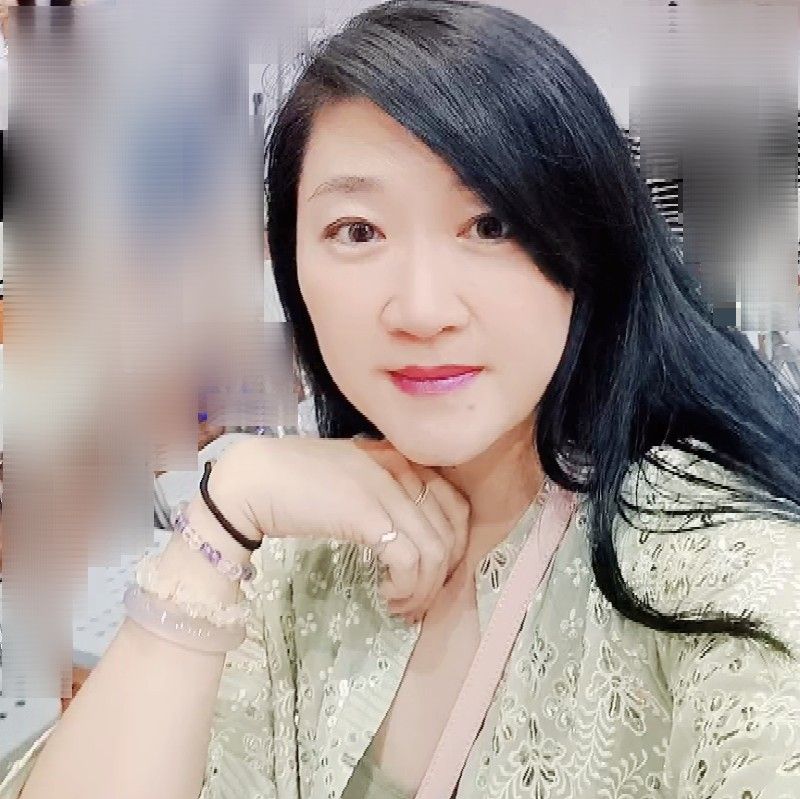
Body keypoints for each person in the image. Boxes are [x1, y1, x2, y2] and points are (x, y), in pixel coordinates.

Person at [3, 1, 800, 797]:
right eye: (358, 231)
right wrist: (224, 513)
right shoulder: (300, 553)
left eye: (490, 224)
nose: (421, 310)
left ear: (589, 241)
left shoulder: (712, 566)